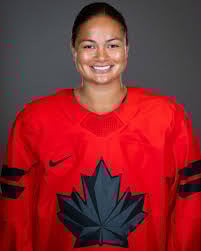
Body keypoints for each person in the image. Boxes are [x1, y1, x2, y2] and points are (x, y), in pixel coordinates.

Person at [0, 2, 200, 251]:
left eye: (113, 45)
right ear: (74, 51)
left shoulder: (169, 119)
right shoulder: (32, 122)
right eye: (89, 46)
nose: (101, 56)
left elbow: (189, 212)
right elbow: (15, 219)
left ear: (127, 49)